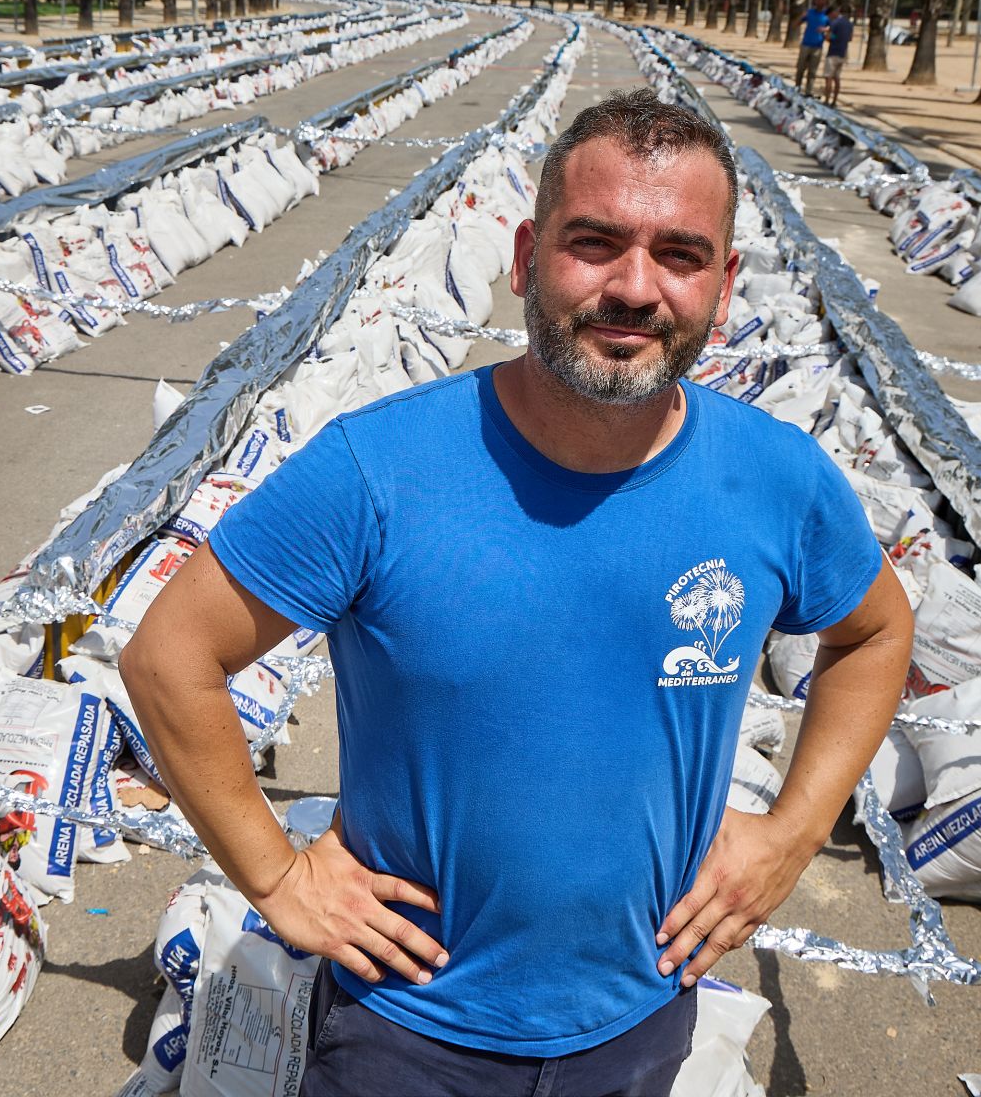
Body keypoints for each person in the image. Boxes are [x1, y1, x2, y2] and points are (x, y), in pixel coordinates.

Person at [119, 92, 914, 1097]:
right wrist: (278, 876)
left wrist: (793, 831)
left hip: (640, 1017)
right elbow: (168, 656)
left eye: (680, 253)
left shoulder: (777, 478)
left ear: (725, 280)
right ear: (528, 253)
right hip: (401, 1031)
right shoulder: (382, 466)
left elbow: (877, 632)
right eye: (595, 242)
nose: (635, 287)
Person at [796, 0, 831, 94]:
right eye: (819, 0)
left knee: (813, 71)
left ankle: (808, 91)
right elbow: (796, 24)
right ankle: (797, 88)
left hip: (818, 46)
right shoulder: (809, 12)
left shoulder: (827, 16)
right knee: (800, 68)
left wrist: (825, 30)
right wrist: (801, 16)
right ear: (815, 1)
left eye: (823, 0)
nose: (821, 2)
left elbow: (832, 30)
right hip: (805, 44)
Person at [824, 3, 855, 105]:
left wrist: (825, 35)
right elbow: (850, 38)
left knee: (828, 77)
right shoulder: (849, 24)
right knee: (837, 78)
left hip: (833, 52)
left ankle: (827, 100)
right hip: (843, 52)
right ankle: (834, 101)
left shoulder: (835, 23)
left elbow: (829, 37)